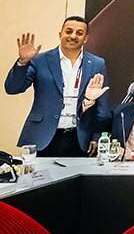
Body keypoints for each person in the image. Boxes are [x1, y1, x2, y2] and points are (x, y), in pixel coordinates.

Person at [5, 16, 111, 156]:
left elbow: (102, 106)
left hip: (80, 137)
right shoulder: (40, 60)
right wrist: (22, 63)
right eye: (69, 31)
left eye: (79, 33)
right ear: (60, 34)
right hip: (43, 135)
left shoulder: (97, 63)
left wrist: (97, 135)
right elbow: (13, 88)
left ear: (86, 38)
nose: (73, 36)